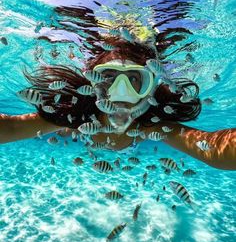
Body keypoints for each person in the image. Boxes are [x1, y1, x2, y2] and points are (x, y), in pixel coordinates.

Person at [0, 33, 235, 171]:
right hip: (72, 129)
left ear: (150, 88)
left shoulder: (151, 125)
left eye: (134, 79)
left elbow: (212, 147)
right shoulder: (74, 116)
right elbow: (9, 127)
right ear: (93, 83)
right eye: (107, 78)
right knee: (63, 129)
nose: (121, 91)